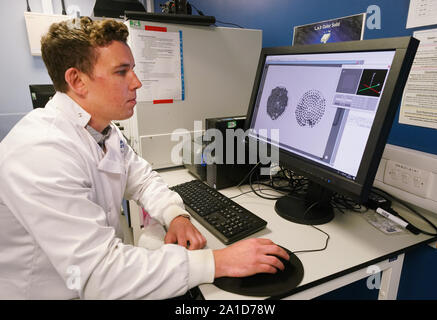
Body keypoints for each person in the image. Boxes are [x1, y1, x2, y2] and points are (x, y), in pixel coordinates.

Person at [0, 17, 289, 299]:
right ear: (77, 80)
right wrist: (217, 262)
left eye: (133, 69)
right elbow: (101, 276)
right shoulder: (41, 152)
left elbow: (142, 179)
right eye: (121, 71)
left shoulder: (101, 129)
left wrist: (174, 214)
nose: (137, 82)